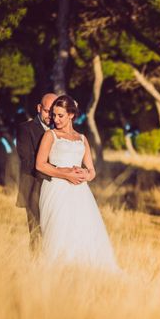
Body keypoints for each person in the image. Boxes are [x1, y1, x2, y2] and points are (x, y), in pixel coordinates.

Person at [35, 94, 119, 271]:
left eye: (60, 115)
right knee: (59, 229)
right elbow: (40, 165)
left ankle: (83, 270)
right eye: (54, 115)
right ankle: (56, 270)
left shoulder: (82, 139)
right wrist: (65, 174)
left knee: (82, 229)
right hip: (56, 189)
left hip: (80, 192)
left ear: (71, 115)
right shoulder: (50, 135)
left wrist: (85, 175)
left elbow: (92, 171)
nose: (55, 119)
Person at [16, 93, 58, 255]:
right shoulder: (25, 129)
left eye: (54, 112)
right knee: (36, 231)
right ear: (39, 108)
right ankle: (35, 266)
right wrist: (57, 171)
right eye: (48, 111)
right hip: (34, 186)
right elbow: (26, 160)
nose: (51, 116)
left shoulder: (60, 129)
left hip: (57, 188)